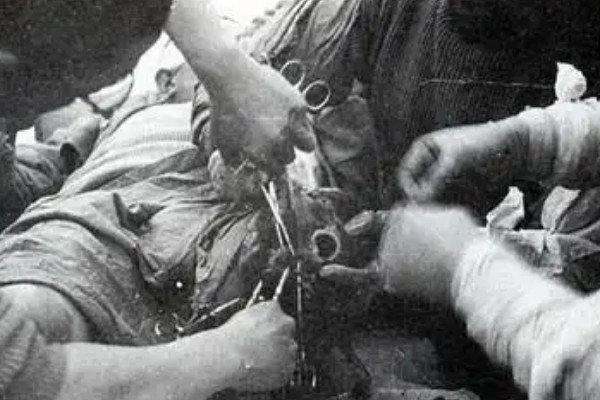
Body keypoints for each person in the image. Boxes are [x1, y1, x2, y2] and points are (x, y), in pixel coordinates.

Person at [0, 0, 322, 398]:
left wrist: (227, 67)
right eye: (80, 88)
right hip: (97, 219)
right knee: (35, 305)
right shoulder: (122, 119)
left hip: (221, 228)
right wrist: (229, 355)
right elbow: (22, 379)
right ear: (166, 80)